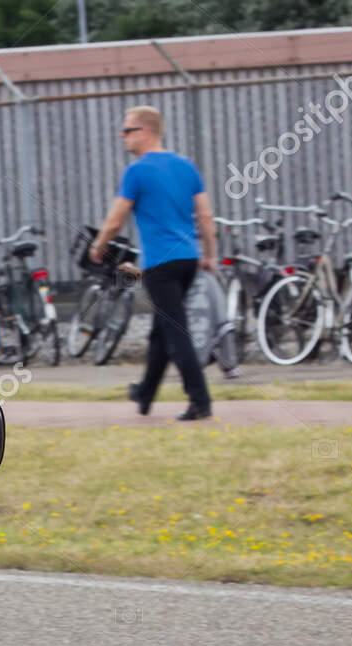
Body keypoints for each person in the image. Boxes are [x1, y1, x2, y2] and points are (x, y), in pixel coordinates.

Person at [90, 105, 217, 421]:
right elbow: (205, 215)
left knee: (176, 333)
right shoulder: (186, 166)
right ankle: (145, 393)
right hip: (188, 260)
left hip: (161, 264)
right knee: (161, 331)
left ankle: (200, 400)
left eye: (127, 130)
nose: (122, 136)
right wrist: (210, 254)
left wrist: (99, 246)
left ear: (145, 131)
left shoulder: (137, 172)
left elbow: (116, 219)